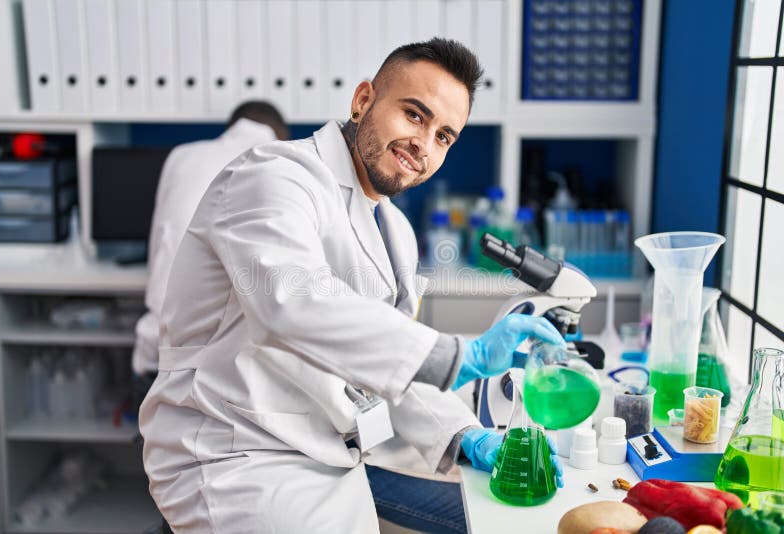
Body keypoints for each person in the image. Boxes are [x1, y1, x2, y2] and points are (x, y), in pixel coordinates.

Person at [139, 38, 564, 533]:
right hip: (237, 456)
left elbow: (382, 368)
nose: (423, 145)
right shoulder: (274, 177)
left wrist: (465, 433)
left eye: (444, 136)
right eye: (414, 115)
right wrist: (456, 355)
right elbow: (296, 302)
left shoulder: (395, 233)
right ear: (363, 100)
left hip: (326, 451)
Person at [131, 102, 289, 411]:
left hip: (155, 354)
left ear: (230, 126)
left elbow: (161, 243)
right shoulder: (278, 162)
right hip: (224, 374)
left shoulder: (180, 155)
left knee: (156, 456)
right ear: (279, 135)